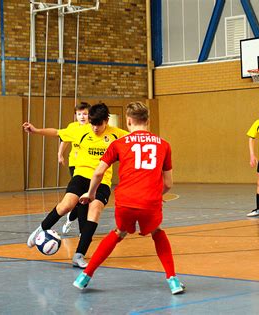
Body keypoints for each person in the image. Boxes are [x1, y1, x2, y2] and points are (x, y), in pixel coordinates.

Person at [72, 101, 185, 295]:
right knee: (157, 232)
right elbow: (168, 183)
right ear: (147, 121)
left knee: (118, 232)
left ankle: (85, 276)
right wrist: (156, 196)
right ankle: (173, 280)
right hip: (150, 201)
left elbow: (98, 173)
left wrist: (90, 194)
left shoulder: (118, 143)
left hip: (125, 201)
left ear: (128, 121)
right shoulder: (164, 145)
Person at [23, 103, 128, 268]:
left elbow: (136, 139)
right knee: (67, 205)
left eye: (98, 124)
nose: (94, 127)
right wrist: (36, 131)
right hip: (81, 175)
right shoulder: (80, 130)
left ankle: (79, 255)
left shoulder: (117, 135)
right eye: (92, 123)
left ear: (106, 121)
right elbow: (57, 132)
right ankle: (40, 230)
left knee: (94, 212)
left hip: (102, 181)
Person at [58, 102, 91, 235]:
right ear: (75, 115)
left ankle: (71, 218)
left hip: (91, 166)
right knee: (81, 197)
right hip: (75, 165)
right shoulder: (72, 127)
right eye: (79, 114)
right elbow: (64, 140)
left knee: (86, 199)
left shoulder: (94, 127)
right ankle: (82, 230)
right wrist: (60, 154)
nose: (82, 117)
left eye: (85, 114)